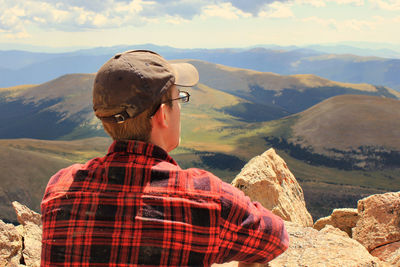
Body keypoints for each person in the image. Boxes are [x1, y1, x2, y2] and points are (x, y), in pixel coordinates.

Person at [41, 50, 289, 266]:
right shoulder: (208, 198)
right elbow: (276, 239)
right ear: (162, 115)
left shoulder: (59, 187)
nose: (179, 106)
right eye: (178, 98)